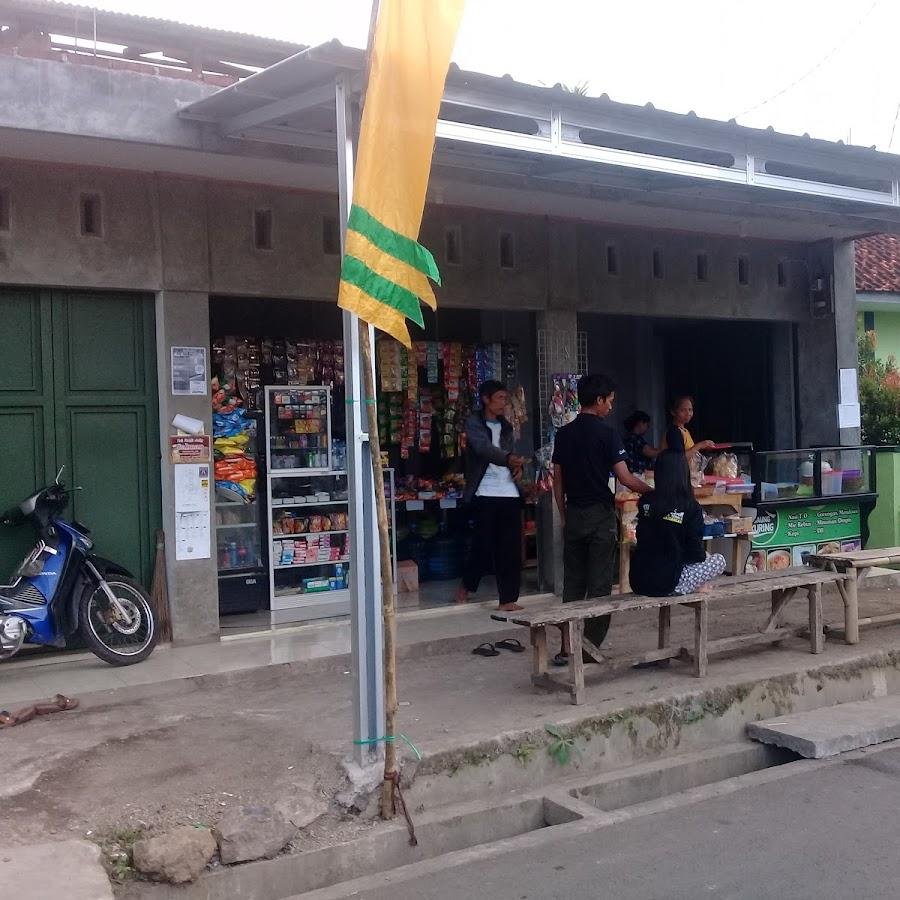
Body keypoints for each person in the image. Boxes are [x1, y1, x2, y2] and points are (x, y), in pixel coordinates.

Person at [551, 373, 651, 665]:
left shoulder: (564, 434)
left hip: (574, 515)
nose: (611, 407)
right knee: (599, 587)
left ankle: (566, 647)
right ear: (598, 400)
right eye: (609, 401)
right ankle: (587, 649)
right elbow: (624, 477)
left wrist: (563, 514)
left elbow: (557, 480)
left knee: (573, 585)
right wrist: (655, 491)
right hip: (600, 517)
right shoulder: (607, 435)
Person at [457, 380, 528, 612]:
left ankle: (508, 599)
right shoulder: (473, 423)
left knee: (510, 548)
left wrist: (517, 466)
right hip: (484, 491)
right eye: (499, 398)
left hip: (509, 492)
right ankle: (467, 585)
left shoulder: (507, 427)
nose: (503, 403)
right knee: (482, 545)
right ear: (486, 399)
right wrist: (508, 458)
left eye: (504, 398)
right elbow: (483, 449)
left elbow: (511, 453)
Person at [630, 449, 726, 597]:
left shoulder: (646, 501)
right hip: (667, 583)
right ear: (684, 474)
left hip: (638, 580)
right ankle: (689, 586)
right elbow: (695, 553)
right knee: (718, 560)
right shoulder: (690, 506)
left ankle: (692, 583)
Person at [623, 410, 660, 475]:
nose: (647, 428)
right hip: (636, 474)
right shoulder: (635, 439)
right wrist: (666, 450)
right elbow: (650, 452)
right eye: (647, 425)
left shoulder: (628, 437)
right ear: (640, 423)